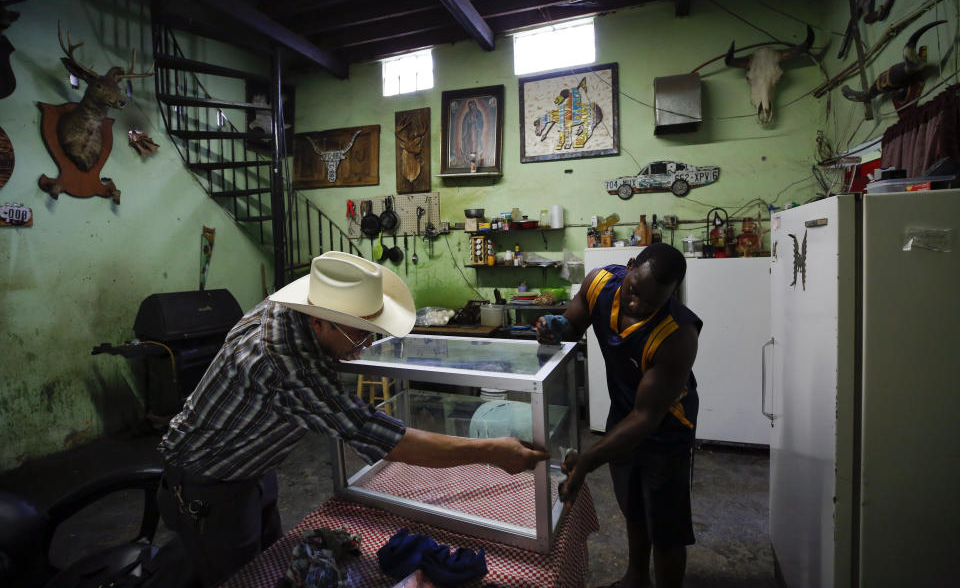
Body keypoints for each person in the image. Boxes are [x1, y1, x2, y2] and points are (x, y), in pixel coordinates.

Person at [157, 252, 549, 587]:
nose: (364, 349)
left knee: (273, 562)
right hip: (209, 482)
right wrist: (492, 451)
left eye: (370, 335)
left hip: (255, 467)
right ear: (318, 321)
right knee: (239, 577)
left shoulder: (294, 311)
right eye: (357, 336)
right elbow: (385, 439)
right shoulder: (285, 365)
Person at [536, 243, 701, 588]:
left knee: (666, 527)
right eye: (633, 291)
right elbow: (572, 327)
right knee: (634, 507)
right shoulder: (599, 284)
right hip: (622, 411)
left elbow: (646, 416)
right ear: (628, 268)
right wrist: (555, 327)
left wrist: (586, 462)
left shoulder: (677, 335)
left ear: (670, 296)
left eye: (652, 303)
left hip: (665, 426)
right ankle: (636, 578)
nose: (637, 305)